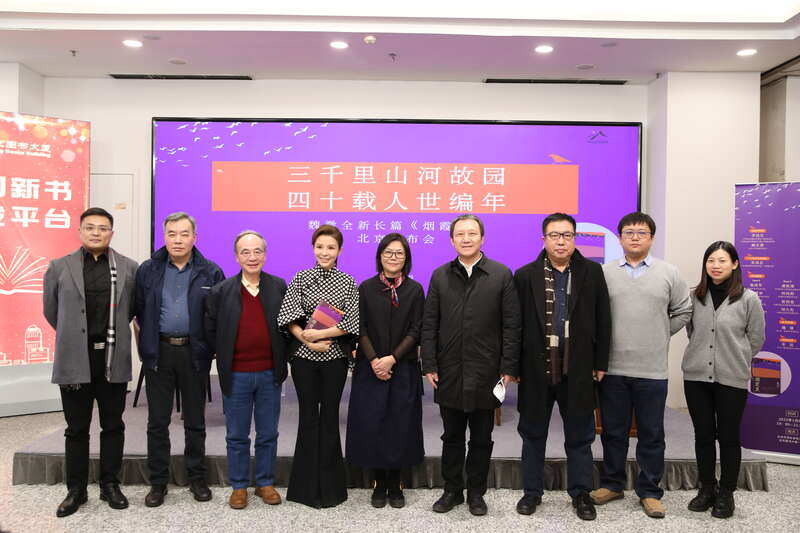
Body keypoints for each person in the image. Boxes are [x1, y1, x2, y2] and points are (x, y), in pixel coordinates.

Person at [591, 212, 692, 519]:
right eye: (629, 232)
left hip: (652, 369)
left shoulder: (669, 273)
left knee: (651, 433)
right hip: (612, 368)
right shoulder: (604, 272)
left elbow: (684, 310)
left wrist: (660, 334)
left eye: (642, 232)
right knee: (613, 432)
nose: (635, 237)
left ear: (651, 238)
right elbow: (594, 315)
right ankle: (612, 484)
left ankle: (649, 491)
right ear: (620, 237)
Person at [513, 213, 611, 521]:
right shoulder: (525, 275)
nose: (561, 241)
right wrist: (513, 366)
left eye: (567, 235)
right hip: (535, 369)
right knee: (532, 434)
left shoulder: (592, 272)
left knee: (580, 436)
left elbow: (604, 319)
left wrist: (601, 362)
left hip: (578, 369)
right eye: (554, 235)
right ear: (543, 239)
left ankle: (581, 493)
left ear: (574, 239)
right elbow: (515, 326)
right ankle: (532, 492)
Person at [421, 214, 521, 516]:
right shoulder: (440, 276)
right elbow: (429, 324)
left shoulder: (501, 275)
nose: (466, 238)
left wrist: (508, 367)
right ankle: (452, 490)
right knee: (451, 437)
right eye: (460, 234)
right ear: (452, 240)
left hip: (487, 372)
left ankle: (476, 493)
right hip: (449, 371)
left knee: (481, 438)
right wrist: (429, 364)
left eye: (472, 233)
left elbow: (512, 326)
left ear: (482, 238)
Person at [43, 207, 139, 517]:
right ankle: (76, 490)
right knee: (76, 428)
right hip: (75, 358)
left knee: (113, 425)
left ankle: (110, 485)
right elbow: (51, 311)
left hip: (112, 358)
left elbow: (132, 310)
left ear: (111, 233)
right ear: (80, 231)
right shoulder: (59, 267)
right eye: (90, 227)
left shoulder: (129, 268)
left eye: (103, 228)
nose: (96, 233)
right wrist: (74, 335)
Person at [135, 212, 224, 507]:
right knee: (157, 422)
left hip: (193, 353)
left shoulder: (210, 272)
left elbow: (217, 315)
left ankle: (196, 478)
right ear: (164, 237)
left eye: (184, 234)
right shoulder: (148, 270)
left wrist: (209, 348)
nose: (178, 240)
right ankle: (158, 483)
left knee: (195, 421)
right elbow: (139, 311)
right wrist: (146, 345)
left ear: (194, 238)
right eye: (172, 234)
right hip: (159, 353)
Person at [204, 230, 289, 509]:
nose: (252, 257)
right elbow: (210, 330)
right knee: (237, 435)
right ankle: (239, 486)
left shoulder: (278, 287)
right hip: (236, 375)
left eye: (257, 251)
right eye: (245, 252)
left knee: (268, 433)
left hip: (269, 374)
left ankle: (265, 482)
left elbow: (288, 327)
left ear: (265, 254)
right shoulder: (222, 291)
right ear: (236, 256)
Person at [277, 224, 359, 508]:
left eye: (331, 248)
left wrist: (323, 335)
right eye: (320, 247)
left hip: (335, 360)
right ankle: (304, 489)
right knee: (308, 418)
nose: (325, 252)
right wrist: (307, 340)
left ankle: (332, 489)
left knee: (330, 419)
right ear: (313, 248)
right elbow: (288, 315)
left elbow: (352, 322)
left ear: (340, 251)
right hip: (304, 360)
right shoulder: (301, 277)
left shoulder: (348, 281)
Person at [682, 241, 765, 519]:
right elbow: (692, 332)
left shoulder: (749, 299)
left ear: (735, 264)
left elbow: (756, 338)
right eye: (711, 261)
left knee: (729, 436)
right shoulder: (695, 296)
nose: (715, 266)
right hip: (696, 377)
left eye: (722, 260)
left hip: (732, 378)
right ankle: (707, 488)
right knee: (703, 435)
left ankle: (727, 493)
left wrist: (735, 358)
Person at [345, 233, 425, 509]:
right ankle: (379, 482)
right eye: (388, 252)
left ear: (406, 258)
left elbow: (417, 329)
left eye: (399, 253)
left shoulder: (415, 290)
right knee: (374, 423)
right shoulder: (366, 288)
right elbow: (360, 327)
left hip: (403, 368)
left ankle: (396, 482)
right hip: (371, 368)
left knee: (399, 425)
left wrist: (392, 358)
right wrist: (375, 360)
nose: (393, 257)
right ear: (380, 256)